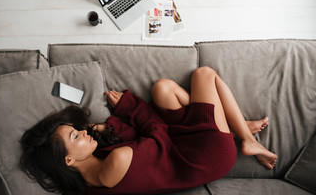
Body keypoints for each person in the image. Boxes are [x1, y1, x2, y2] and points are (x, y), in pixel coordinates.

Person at [19, 67, 277, 195]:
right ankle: (244, 138)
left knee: (163, 89)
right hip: (205, 157)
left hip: (178, 148)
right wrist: (130, 107)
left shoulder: (92, 181)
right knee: (204, 74)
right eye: (76, 136)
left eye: (77, 130)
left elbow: (137, 138)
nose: (83, 133)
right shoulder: (117, 159)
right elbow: (158, 131)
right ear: (69, 160)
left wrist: (105, 129)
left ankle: (232, 127)